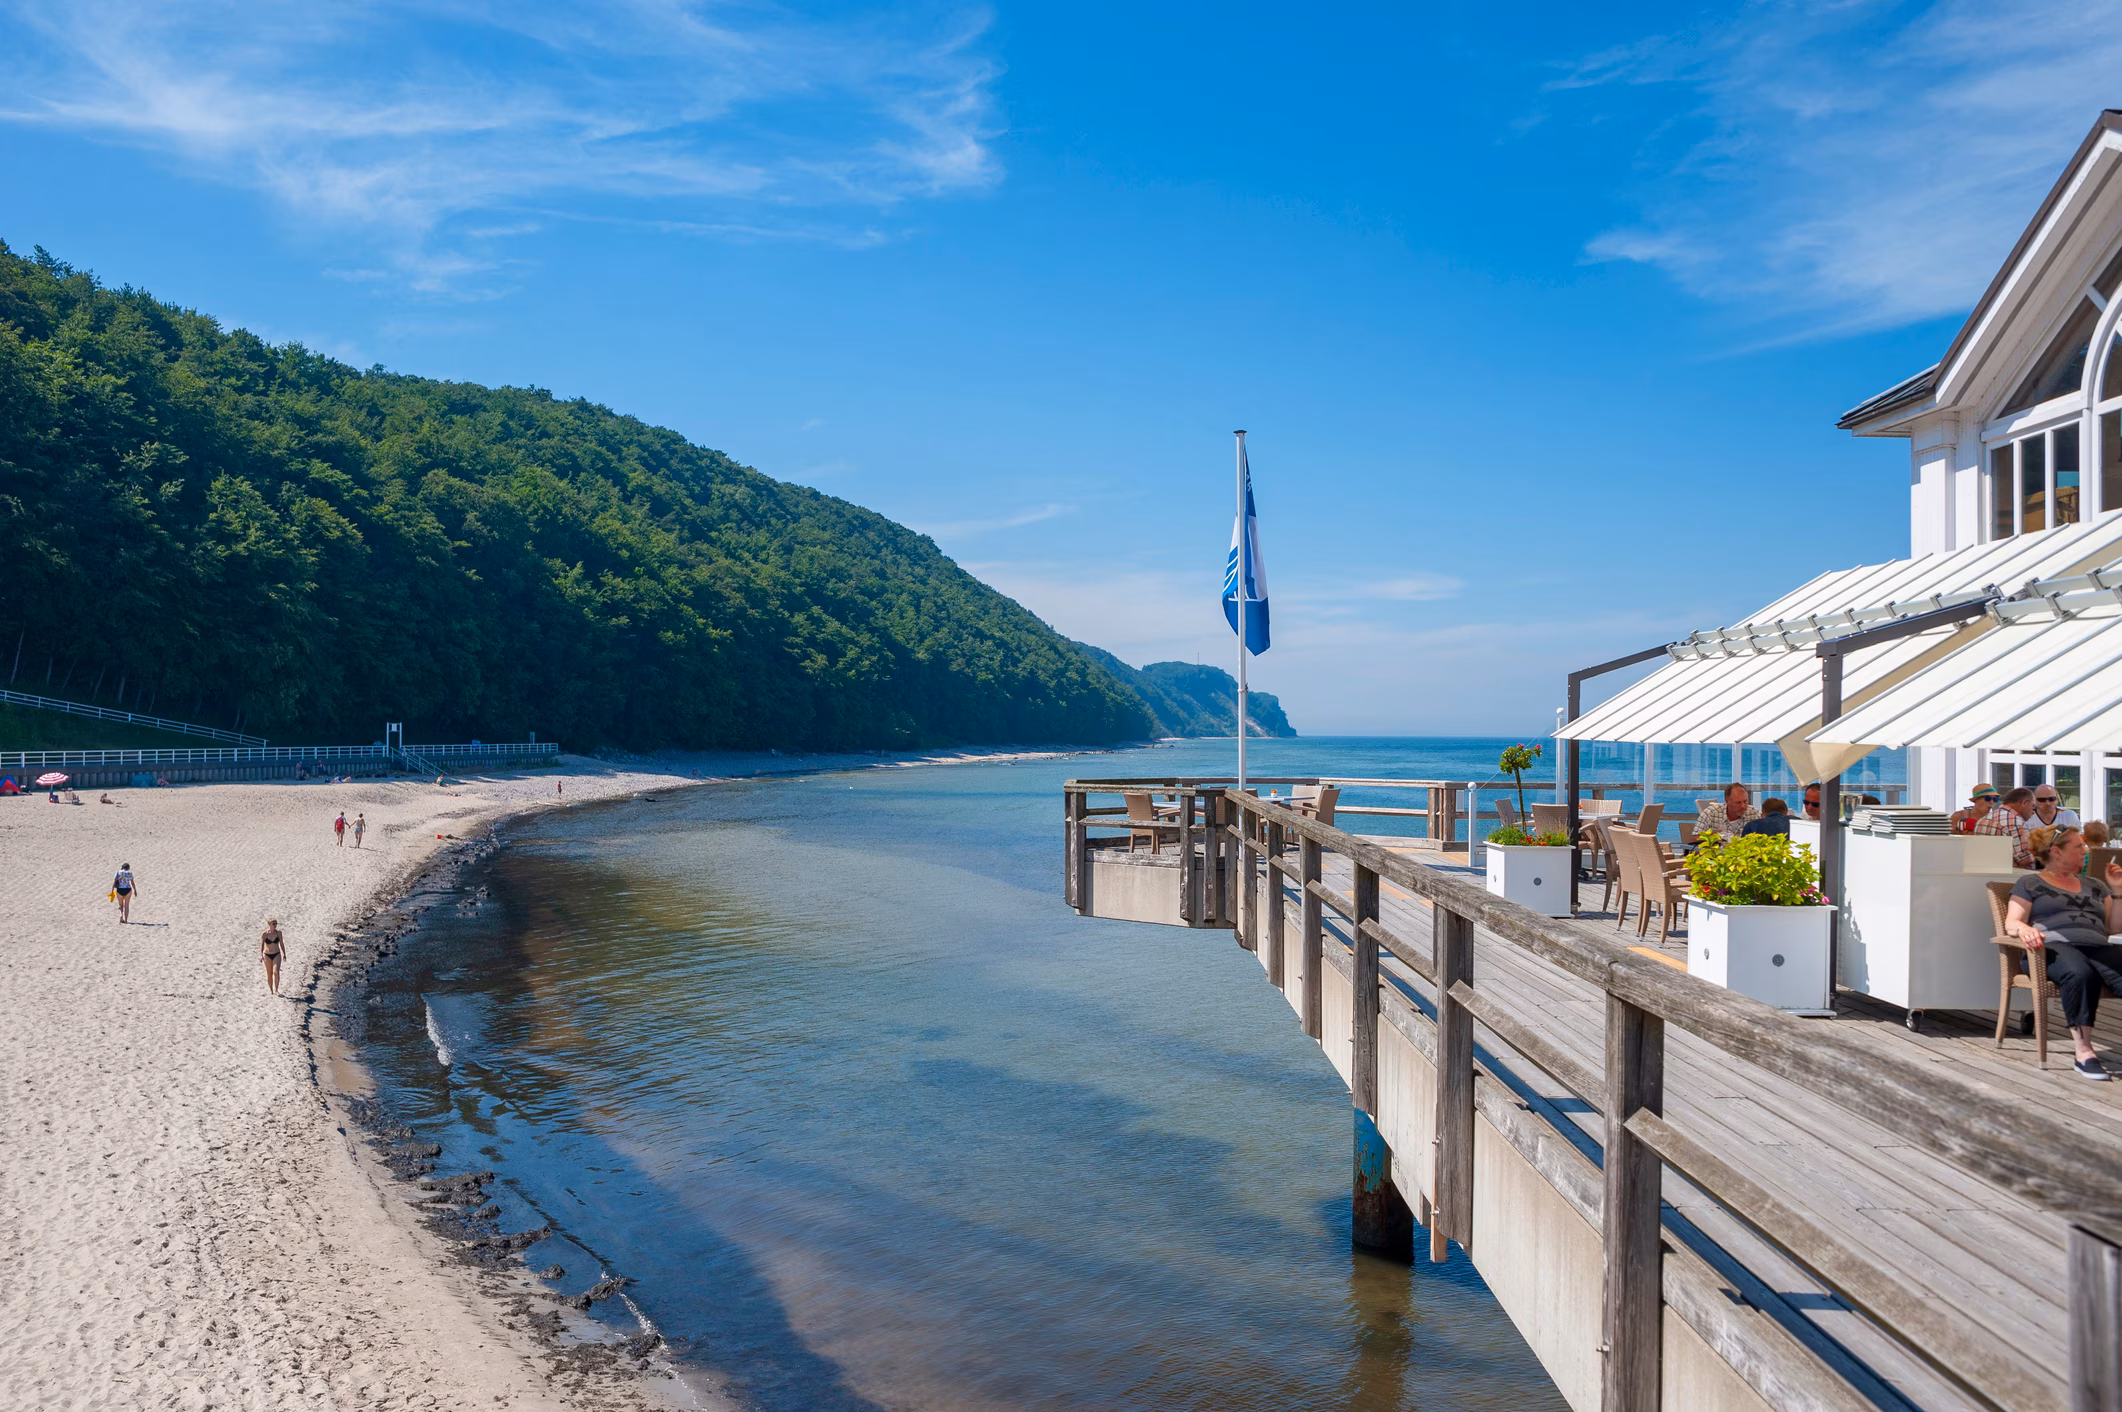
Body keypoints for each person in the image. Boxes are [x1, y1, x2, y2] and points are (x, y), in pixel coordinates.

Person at [2004, 827, 2122, 1081]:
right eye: (2078, 847)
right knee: (2080, 974)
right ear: (2057, 852)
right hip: (2051, 949)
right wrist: (2025, 930)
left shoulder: (2096, 885)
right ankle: (2084, 1052)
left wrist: (2118, 890)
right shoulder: (2030, 883)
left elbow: (2114, 928)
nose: (2085, 851)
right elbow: (2011, 923)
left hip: (2097, 947)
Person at [1975, 786, 2038, 869]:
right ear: (2024, 803)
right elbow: (2024, 859)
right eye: (2033, 806)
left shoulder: (1983, 820)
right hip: (2010, 877)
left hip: (1983, 872)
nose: (2034, 811)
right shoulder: (2016, 822)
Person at [260, 917, 285, 997]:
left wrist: (284, 953)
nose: (275, 925)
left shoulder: (279, 933)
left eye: (276, 924)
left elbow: (281, 943)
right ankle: (271, 989)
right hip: (267, 955)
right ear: (269, 924)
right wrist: (260, 955)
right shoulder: (265, 934)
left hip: (277, 954)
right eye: (273, 924)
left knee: (276, 972)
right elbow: (261, 945)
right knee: (269, 973)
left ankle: (276, 990)